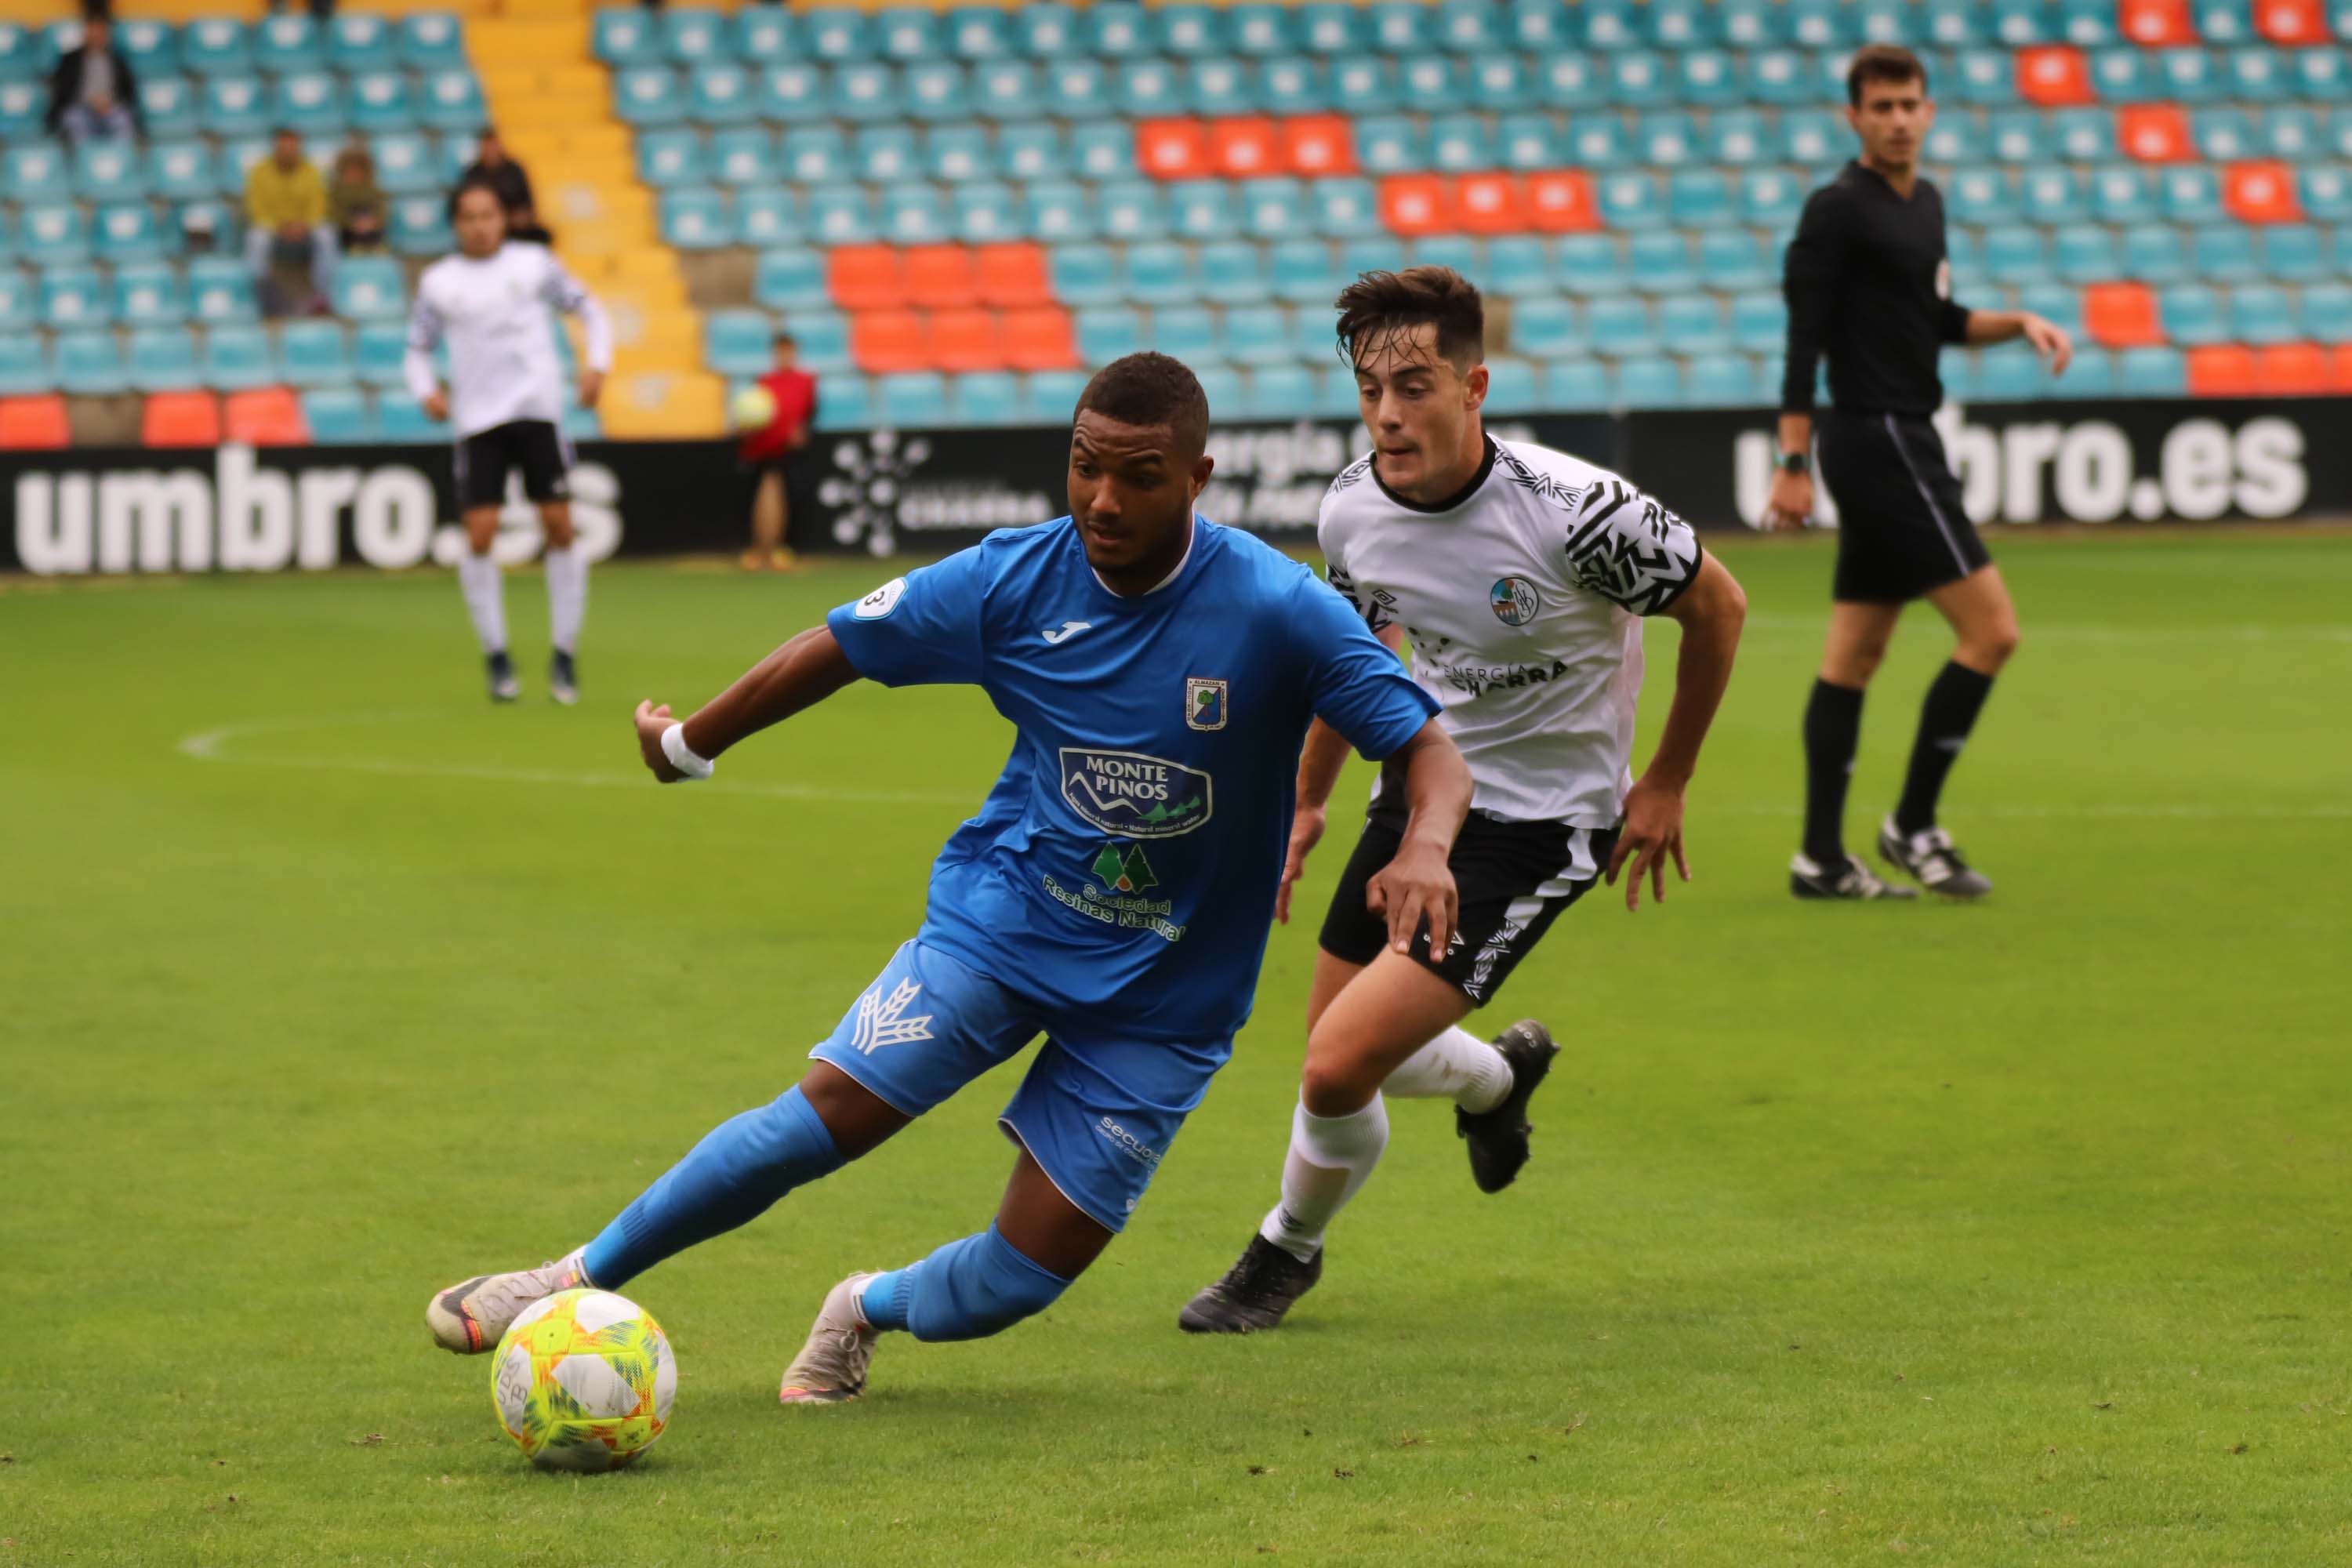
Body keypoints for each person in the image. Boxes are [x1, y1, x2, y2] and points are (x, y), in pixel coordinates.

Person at [423, 353, 1475, 1403]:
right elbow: (837, 644)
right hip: (1005, 921)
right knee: (821, 1117)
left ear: (1198, 477)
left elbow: (1429, 751)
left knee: (1016, 1284)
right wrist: (690, 743)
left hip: (1168, 999)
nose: (1104, 500)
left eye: (1141, 475)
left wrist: (1423, 847)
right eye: (1085, 467)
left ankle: (861, 1307)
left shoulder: (1276, 608)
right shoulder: (1011, 580)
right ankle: (568, 1277)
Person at [1176, 269, 1749, 1334]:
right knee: (1343, 1058)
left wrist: (1664, 781)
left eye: (1415, 385)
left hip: (1545, 824)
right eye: (1369, 389)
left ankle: (1281, 1255)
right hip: (1419, 798)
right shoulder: (1351, 510)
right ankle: (1497, 1081)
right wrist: (1305, 804)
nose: (1389, 413)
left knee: (1337, 1065)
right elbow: (1351, 666)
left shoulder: (1581, 516)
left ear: (1475, 386)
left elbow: (1719, 607)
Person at [1766, 45, 2073, 902]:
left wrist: (2020, 322)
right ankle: (1912, 824)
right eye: (1883, 106)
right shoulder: (1835, 210)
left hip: (1904, 434)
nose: (1899, 118)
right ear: (1854, 117)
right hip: (1878, 439)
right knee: (1993, 631)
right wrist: (1792, 460)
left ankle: (1820, 859)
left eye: (1911, 104)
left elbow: (1935, 316)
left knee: (1855, 652)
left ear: (1929, 112)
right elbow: (1803, 342)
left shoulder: (1925, 203)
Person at [404, 176, 609, 705]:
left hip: (538, 412)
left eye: (487, 215)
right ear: (456, 224)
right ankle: (496, 653)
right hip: (478, 421)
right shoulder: (439, 282)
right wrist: (426, 390)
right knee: (479, 534)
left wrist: (597, 366)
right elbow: (417, 348)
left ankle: (564, 653)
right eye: (468, 217)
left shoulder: (534, 264)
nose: (478, 226)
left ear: (504, 218)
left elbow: (589, 308)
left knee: (560, 525)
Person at [738, 331, 818, 572]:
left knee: (787, 496)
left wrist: (802, 431)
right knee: (762, 495)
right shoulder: (764, 382)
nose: (784, 355)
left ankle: (779, 548)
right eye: (780, 351)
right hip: (763, 448)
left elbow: (809, 414)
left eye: (788, 351)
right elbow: (753, 415)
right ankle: (760, 548)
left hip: (789, 451)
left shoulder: (805, 381)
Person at [244, 127, 336, 316]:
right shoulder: (259, 172)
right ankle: (264, 296)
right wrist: (280, 227)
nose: (288, 152)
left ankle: (323, 296)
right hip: (273, 228)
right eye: (283, 147)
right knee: (256, 238)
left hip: (304, 227)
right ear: (275, 148)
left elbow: (318, 205)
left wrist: (304, 225)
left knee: (327, 235)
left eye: (292, 147)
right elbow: (256, 209)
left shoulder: (311, 171)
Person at [46, 14, 143, 147]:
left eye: (100, 32)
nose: (96, 36)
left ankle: (119, 161)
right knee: (74, 120)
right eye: (93, 32)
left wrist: (110, 102)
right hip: (79, 108)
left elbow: (128, 90)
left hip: (111, 109)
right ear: (85, 34)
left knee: (123, 120)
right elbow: (62, 90)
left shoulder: (117, 60)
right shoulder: (70, 60)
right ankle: (86, 163)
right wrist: (89, 102)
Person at [459, 128, 548, 245]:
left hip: (515, 226)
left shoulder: (515, 169)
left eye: (493, 146)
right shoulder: (472, 173)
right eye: (487, 146)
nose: (491, 151)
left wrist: (517, 218)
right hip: (486, 222)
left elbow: (528, 205)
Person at [327, 143, 387, 256]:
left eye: (358, 170)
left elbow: (382, 210)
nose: (353, 174)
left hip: (371, 231)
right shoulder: (336, 192)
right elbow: (334, 214)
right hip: (345, 233)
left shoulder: (373, 190)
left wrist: (372, 222)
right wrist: (352, 224)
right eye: (349, 170)